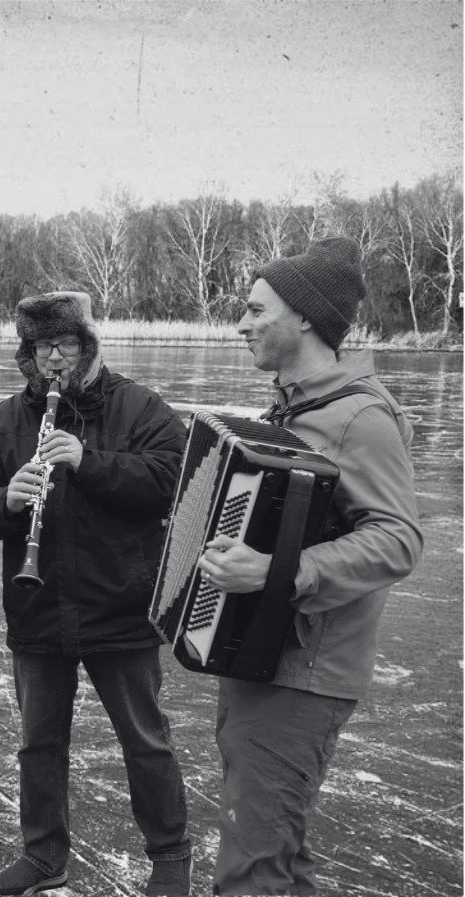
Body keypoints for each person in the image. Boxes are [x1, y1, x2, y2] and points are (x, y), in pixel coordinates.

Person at [196, 237, 422, 896]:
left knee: (251, 870)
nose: (240, 323)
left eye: (254, 309)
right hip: (265, 656)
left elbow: (396, 539)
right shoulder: (295, 407)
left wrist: (270, 570)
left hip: (304, 673)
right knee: (277, 857)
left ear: (302, 316)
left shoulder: (358, 418)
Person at [0, 291, 193, 897]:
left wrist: (89, 462)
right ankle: (42, 857)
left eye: (63, 346)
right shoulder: (9, 417)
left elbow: (170, 482)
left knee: (145, 741)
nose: (51, 361)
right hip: (37, 609)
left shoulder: (140, 406)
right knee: (39, 744)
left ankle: (169, 857)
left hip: (121, 606)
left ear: (87, 347)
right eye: (41, 348)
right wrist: (5, 501)